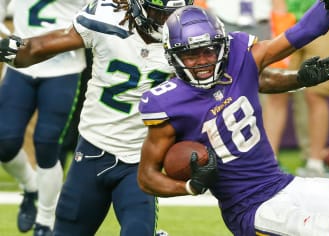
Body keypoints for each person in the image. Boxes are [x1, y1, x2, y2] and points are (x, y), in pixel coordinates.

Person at [137, 5, 329, 236]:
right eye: (190, 54)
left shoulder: (239, 57)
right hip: (250, 209)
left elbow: (303, 32)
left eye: (208, 50)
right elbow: (147, 176)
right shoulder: (166, 103)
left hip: (284, 184)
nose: (202, 61)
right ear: (174, 57)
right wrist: (189, 186)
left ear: (222, 46)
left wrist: (325, 6)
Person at [0, 0, 193, 235]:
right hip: (93, 150)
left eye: (175, 14)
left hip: (139, 158)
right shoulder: (106, 18)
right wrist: (17, 52)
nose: (167, 22)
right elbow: (43, 46)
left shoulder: (189, 39)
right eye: (159, 13)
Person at [0, 0, 87, 234]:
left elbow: (100, 13)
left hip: (63, 69)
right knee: (4, 142)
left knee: (47, 145)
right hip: (19, 66)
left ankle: (45, 220)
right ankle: (30, 187)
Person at [262, 0, 329, 178]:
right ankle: (269, 162)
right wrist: (279, 9)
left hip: (327, 12)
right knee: (276, 89)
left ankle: (315, 163)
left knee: (317, 93)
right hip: (287, 15)